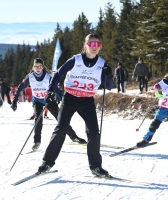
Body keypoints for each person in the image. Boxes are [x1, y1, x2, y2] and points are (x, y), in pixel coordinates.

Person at [37, 33, 113, 177]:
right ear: (85, 46)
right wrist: (51, 91)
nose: (94, 47)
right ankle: (47, 162)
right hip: (70, 98)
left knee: (94, 132)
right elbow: (57, 74)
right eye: (91, 44)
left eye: (97, 44)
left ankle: (96, 167)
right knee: (60, 129)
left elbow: (109, 86)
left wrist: (109, 74)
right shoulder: (75, 60)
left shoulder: (102, 64)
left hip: (87, 101)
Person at [11, 58, 87, 151]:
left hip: (49, 100)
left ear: (42, 67)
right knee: (38, 119)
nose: (38, 68)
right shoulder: (30, 77)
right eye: (36, 67)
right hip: (37, 100)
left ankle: (74, 137)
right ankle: (37, 142)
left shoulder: (48, 76)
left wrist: (63, 99)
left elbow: (56, 89)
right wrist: (14, 101)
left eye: (39, 66)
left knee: (61, 119)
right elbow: (20, 88)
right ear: (33, 67)